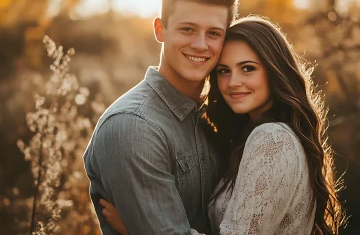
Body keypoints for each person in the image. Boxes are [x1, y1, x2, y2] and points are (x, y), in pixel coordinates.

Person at [101, 16, 345, 234]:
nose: (233, 82)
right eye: (223, 71)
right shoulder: (259, 135)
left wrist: (142, 227)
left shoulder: (271, 139)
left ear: (274, 70)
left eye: (248, 68)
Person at [83, 0, 238, 234]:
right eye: (187, 29)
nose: (200, 45)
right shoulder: (132, 127)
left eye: (213, 33)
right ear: (160, 29)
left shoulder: (217, 115)